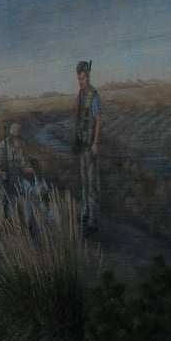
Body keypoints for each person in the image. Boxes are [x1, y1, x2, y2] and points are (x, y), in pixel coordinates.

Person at [74, 60, 102, 235]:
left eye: (83, 78)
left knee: (92, 185)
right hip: (81, 145)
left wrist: (96, 143)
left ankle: (93, 221)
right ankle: (85, 213)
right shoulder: (80, 94)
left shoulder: (94, 95)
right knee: (84, 182)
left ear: (89, 76)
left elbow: (99, 120)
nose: (81, 81)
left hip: (90, 144)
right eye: (79, 78)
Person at [0, 122, 35, 220]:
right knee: (11, 202)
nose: (18, 140)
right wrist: (1, 173)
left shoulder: (19, 149)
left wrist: (32, 170)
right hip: (9, 181)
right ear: (12, 137)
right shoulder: (2, 146)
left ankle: (29, 220)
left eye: (19, 138)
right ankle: (9, 224)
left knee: (30, 190)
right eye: (16, 137)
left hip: (19, 180)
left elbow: (22, 168)